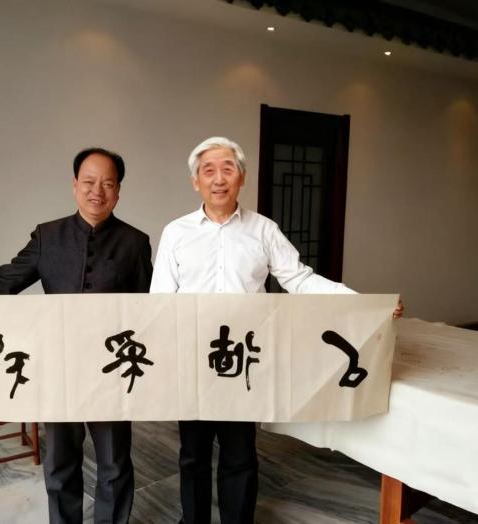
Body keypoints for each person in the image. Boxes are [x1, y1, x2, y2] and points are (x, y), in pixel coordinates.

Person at [150, 136, 403, 524]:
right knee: (193, 454)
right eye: (208, 170)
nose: (219, 178)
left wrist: (362, 303)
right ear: (195, 181)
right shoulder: (176, 232)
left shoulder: (263, 230)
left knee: (239, 454)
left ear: (242, 177)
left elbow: (299, 279)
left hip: (243, 361)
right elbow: (160, 299)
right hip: (193, 357)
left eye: (228, 169)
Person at [0, 147, 152, 524]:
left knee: (115, 464)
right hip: (59, 369)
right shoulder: (48, 236)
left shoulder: (135, 242)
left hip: (111, 372)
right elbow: (2, 281)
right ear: (74, 185)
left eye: (107, 183)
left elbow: (148, 311)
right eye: (89, 181)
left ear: (118, 191)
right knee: (60, 463)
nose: (97, 191)